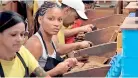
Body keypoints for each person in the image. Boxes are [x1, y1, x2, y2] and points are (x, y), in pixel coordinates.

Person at [25, 1, 78, 77]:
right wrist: (55, 71)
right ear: (40, 19)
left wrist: (66, 63)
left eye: (60, 20)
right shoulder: (35, 44)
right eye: (51, 19)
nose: (56, 24)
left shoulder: (53, 39)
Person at [0, 11, 51, 77]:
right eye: (13, 35)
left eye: (22, 34)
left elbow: (43, 75)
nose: (19, 39)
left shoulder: (22, 51)